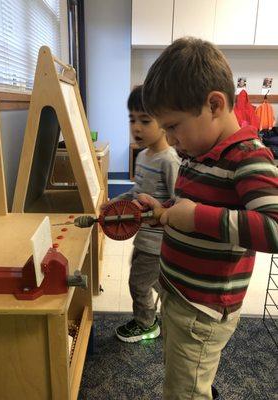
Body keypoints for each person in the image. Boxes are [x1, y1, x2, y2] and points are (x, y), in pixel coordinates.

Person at [137, 37, 278, 399]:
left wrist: (198, 217)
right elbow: (191, 203)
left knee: (182, 390)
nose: (169, 138)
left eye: (174, 126)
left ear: (214, 104)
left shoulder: (249, 157)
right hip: (179, 292)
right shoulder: (200, 152)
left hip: (202, 308)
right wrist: (165, 210)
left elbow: (275, 227)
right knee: (186, 374)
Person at [103, 85, 181, 343]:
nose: (136, 127)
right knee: (151, 278)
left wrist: (158, 211)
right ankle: (172, 312)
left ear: (164, 122)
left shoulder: (169, 160)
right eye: (132, 120)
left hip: (157, 241)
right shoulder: (143, 156)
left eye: (145, 121)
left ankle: (146, 323)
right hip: (142, 237)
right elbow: (137, 193)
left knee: (138, 283)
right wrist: (113, 203)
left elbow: (177, 202)